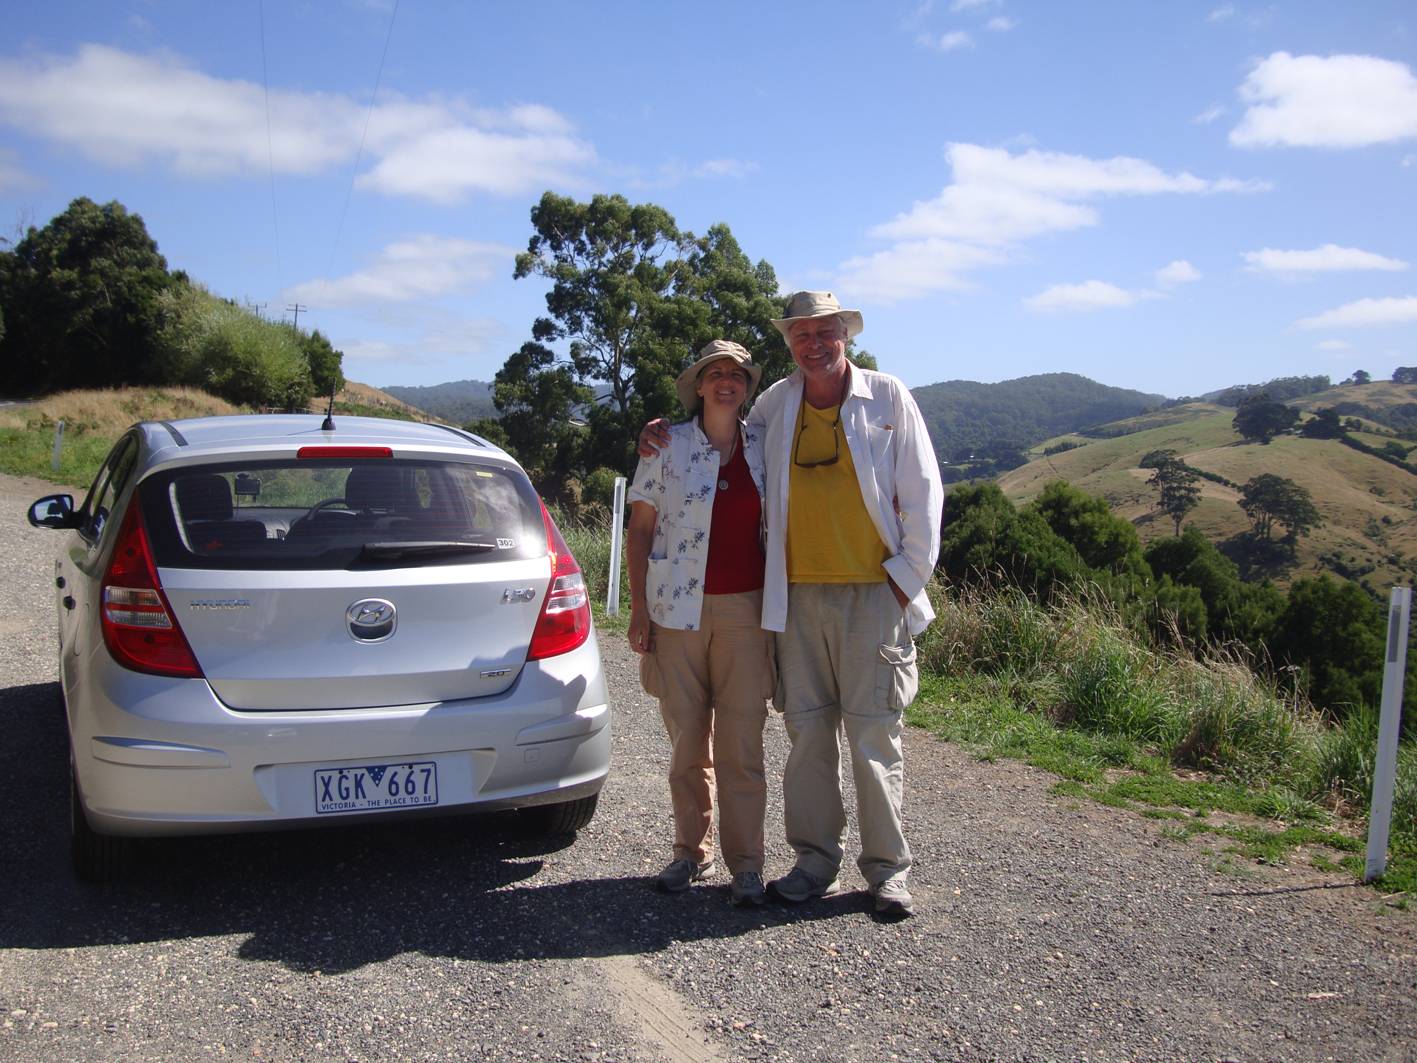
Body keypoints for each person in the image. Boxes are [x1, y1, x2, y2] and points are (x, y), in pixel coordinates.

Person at [639, 292, 943, 918]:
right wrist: (654, 431)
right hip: (795, 598)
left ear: (844, 336)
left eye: (825, 331)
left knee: (873, 736)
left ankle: (887, 872)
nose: (814, 343)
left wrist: (904, 579)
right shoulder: (776, 405)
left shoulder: (887, 398)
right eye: (802, 334)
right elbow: (683, 467)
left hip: (871, 593)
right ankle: (813, 862)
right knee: (807, 736)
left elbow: (924, 491)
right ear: (789, 345)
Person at [627, 339, 776, 907]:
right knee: (688, 739)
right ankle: (690, 851)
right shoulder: (664, 445)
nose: (725, 382)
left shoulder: (765, 445)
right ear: (699, 385)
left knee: (742, 741)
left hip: (747, 612)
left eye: (735, 374)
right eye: (715, 373)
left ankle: (747, 864)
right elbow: (640, 530)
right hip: (675, 612)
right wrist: (640, 609)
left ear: (746, 387)